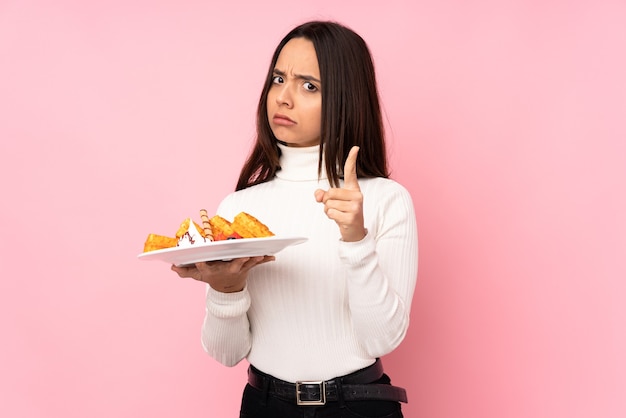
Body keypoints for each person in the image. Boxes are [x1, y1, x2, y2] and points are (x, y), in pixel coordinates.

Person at [172, 20, 418, 418]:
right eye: (278, 78)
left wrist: (356, 240)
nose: (283, 98)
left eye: (309, 86)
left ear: (345, 98)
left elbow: (381, 339)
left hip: (359, 408)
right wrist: (226, 289)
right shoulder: (237, 208)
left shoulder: (386, 200)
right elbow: (226, 353)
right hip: (265, 407)